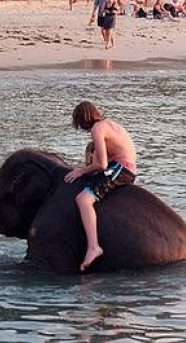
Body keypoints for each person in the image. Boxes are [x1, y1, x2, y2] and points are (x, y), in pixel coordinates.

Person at [63, 101, 138, 271]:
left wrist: (81, 171)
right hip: (124, 166)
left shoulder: (97, 129)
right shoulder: (109, 124)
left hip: (121, 168)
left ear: (83, 119)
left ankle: (93, 247)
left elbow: (102, 164)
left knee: (83, 200)